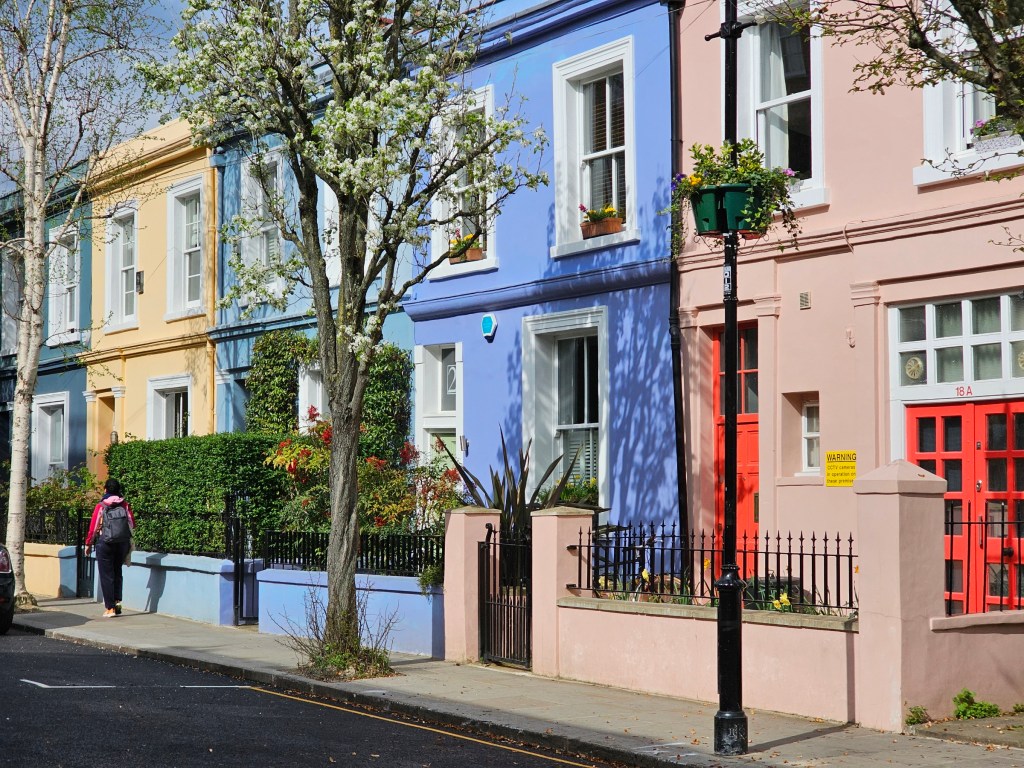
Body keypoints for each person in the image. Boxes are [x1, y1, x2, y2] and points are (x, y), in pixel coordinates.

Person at [84, 479, 135, 618]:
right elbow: (132, 523)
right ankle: (117, 602)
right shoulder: (124, 504)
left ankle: (110, 608)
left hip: (105, 542)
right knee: (117, 571)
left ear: (105, 489)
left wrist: (88, 543)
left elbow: (93, 527)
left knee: (107, 575)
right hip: (122, 543)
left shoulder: (101, 505)